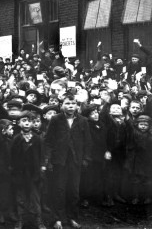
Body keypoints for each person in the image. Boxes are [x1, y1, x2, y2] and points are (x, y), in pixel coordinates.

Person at [44, 94, 91, 229]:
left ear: (77, 105)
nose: (70, 106)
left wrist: (86, 158)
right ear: (62, 105)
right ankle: (57, 218)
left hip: (76, 161)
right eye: (67, 103)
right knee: (59, 189)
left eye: (73, 103)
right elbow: (48, 141)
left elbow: (88, 142)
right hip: (60, 161)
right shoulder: (56, 119)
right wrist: (48, 159)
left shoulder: (83, 121)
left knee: (74, 191)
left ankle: (72, 217)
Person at [11, 111, 46, 229]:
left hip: (34, 173)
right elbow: (12, 156)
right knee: (20, 197)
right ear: (19, 123)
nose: (27, 123)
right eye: (24, 121)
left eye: (30, 121)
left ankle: (38, 220)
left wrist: (42, 166)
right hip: (20, 173)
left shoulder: (38, 139)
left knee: (35, 197)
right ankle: (20, 220)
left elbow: (42, 155)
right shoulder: (16, 139)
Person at [124, 115, 152, 205]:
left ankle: (147, 197)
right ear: (137, 125)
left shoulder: (150, 135)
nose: (143, 126)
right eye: (141, 124)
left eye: (145, 125)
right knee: (135, 180)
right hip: (136, 161)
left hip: (148, 161)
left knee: (148, 180)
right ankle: (135, 197)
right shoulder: (134, 133)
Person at [0, 119, 14, 224]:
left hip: (10, 170)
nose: (12, 131)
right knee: (1, 193)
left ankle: (9, 212)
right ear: (3, 131)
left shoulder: (10, 140)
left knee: (10, 192)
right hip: (0, 171)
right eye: (10, 129)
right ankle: (0, 213)